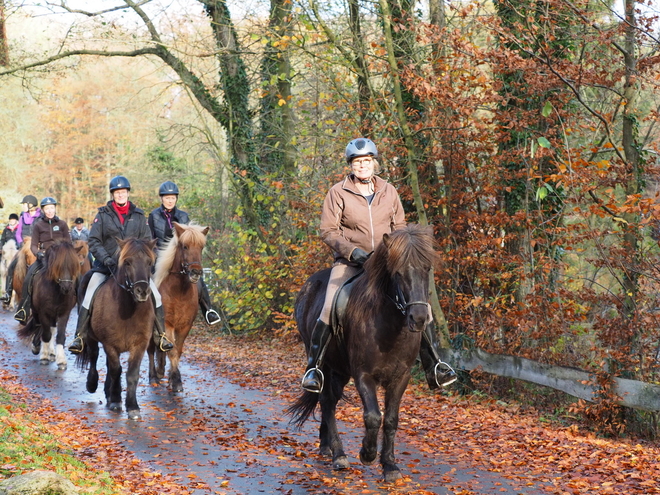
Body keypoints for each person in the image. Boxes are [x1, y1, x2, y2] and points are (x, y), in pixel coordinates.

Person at [300, 137, 457, 393]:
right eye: (358, 162)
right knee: (331, 306)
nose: (363, 166)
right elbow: (328, 231)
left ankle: (434, 366)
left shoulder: (389, 191)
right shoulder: (337, 192)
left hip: (386, 263)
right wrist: (353, 252)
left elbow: (400, 227)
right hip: (351, 263)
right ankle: (314, 368)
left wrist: (398, 252)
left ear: (374, 163)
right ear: (351, 165)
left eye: (367, 161)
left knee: (417, 302)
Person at [67, 175, 174, 354]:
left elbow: (147, 241)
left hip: (134, 269)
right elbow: (94, 240)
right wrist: (106, 259)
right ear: (113, 195)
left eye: (123, 192)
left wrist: (145, 261)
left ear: (128, 193)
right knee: (90, 290)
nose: (121, 195)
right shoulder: (102, 215)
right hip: (107, 266)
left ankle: (160, 335)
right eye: (117, 193)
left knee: (155, 294)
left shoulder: (139, 216)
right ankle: (80, 336)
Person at [148, 180, 221, 325]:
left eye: (173, 198)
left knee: (198, 278)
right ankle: (145, 312)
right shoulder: (154, 216)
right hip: (160, 256)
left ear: (176, 199)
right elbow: (150, 237)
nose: (170, 201)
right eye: (167, 198)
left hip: (180, 256)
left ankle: (208, 310)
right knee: (147, 279)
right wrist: (155, 254)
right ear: (162, 198)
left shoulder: (183, 216)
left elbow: (189, 240)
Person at [14, 197, 70, 324]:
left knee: (76, 276)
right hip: (44, 257)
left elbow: (68, 243)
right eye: (47, 208)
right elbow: (34, 244)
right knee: (29, 275)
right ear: (43, 210)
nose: (49, 211)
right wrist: (38, 253)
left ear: (55, 208)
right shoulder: (38, 225)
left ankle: (77, 301)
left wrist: (65, 254)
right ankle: (23, 308)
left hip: (60, 259)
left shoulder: (62, 224)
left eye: (51, 208)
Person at [0, 195, 40, 304]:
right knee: (12, 265)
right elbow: (18, 233)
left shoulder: (41, 216)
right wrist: (22, 244)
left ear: (30, 205)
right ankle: (8, 292)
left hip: (38, 246)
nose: (22, 206)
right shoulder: (22, 216)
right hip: (24, 247)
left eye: (24, 204)